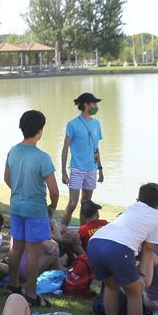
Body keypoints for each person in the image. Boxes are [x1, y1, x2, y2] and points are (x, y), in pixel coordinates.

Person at [87, 182, 158, 315]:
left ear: (138, 198)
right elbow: (149, 249)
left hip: (95, 243)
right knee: (135, 292)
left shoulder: (130, 208)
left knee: (111, 287)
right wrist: (141, 275)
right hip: (117, 248)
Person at [4, 110, 59, 307]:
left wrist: (19, 192)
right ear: (40, 131)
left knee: (16, 247)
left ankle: (12, 285)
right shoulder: (42, 157)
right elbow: (53, 190)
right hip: (35, 210)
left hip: (16, 207)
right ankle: (32, 295)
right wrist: (52, 206)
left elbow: (7, 178)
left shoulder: (13, 151)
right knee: (33, 252)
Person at [60, 93, 103, 226]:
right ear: (86, 105)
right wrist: (63, 172)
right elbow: (65, 148)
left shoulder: (96, 124)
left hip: (92, 169)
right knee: (72, 204)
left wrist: (100, 168)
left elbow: (96, 148)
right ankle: (61, 232)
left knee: (86, 205)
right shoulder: (72, 124)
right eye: (94, 104)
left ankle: (83, 234)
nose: (96, 106)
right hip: (77, 168)